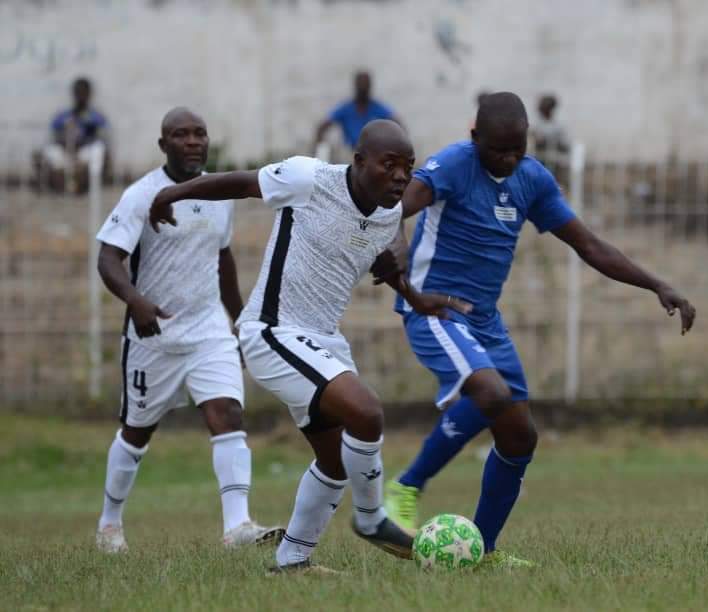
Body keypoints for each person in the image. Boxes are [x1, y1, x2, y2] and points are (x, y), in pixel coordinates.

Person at [375, 92, 696, 568]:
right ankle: (404, 488)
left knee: (520, 436)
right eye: (497, 150)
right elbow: (396, 206)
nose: (507, 160)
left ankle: (482, 550)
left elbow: (589, 245)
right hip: (435, 309)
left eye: (517, 150)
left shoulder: (532, 180)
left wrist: (657, 285)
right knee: (490, 393)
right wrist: (398, 251)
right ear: (475, 138)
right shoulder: (454, 165)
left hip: (485, 319)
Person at [149, 119, 471, 574]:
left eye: (408, 168)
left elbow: (387, 264)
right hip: (272, 331)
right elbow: (242, 184)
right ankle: (371, 518)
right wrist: (172, 194)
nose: (401, 177)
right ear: (358, 162)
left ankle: (293, 561)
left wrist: (419, 299)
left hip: (323, 340)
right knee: (367, 412)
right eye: (390, 165)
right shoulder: (309, 179)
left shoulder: (388, 215)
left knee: (336, 461)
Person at [94, 107, 283, 553]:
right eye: (181, 135)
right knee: (137, 432)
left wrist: (239, 322)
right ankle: (109, 525)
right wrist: (135, 302)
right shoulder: (142, 195)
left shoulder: (218, 196)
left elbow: (222, 258)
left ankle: (237, 527)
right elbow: (107, 258)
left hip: (208, 329)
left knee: (228, 415)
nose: (193, 141)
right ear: (164, 144)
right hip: (153, 336)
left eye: (200, 134)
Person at [35, 77, 111, 192]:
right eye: (78, 92)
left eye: (83, 92)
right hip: (65, 152)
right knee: (43, 154)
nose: (80, 95)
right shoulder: (64, 115)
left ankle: (79, 183)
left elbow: (102, 132)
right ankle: (60, 183)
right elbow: (54, 130)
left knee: (98, 150)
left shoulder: (95, 116)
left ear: (89, 94)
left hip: (83, 154)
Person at [313, 71, 399, 153]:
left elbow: (398, 124)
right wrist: (320, 148)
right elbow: (323, 126)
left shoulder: (378, 108)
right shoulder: (345, 108)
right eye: (360, 85)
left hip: (374, 152)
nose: (363, 88)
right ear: (355, 86)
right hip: (351, 151)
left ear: (370, 87)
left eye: (365, 86)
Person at [531, 94, 569, 171]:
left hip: (553, 159)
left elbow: (565, 146)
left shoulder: (558, 126)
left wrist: (550, 141)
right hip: (539, 158)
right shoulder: (536, 124)